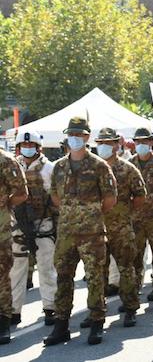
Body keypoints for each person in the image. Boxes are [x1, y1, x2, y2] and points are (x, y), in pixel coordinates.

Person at [44, 117, 118, 346]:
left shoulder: (98, 165)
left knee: (95, 278)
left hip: (92, 233)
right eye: (71, 134)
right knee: (63, 277)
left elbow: (110, 199)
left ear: (87, 137)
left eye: (79, 134)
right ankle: (61, 325)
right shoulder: (59, 167)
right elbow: (55, 197)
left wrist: (90, 215)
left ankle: (96, 323)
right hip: (66, 232)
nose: (75, 138)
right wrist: (72, 214)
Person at [87, 127, 145, 328]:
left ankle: (130, 309)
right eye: (100, 143)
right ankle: (96, 311)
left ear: (116, 145)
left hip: (121, 227)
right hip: (96, 228)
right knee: (96, 272)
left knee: (126, 269)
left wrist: (125, 213)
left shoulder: (128, 169)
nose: (104, 147)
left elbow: (140, 196)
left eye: (108, 143)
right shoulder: (90, 168)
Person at [10, 130, 58, 327]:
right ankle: (12, 311)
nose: (27, 149)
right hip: (18, 224)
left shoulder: (49, 169)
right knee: (16, 268)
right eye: (24, 146)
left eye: (31, 146)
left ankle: (50, 307)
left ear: (39, 148)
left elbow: (56, 199)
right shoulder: (13, 167)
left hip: (43, 223)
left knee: (46, 267)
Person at [129, 127, 153, 312]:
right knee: (135, 258)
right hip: (136, 219)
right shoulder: (130, 164)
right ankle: (133, 294)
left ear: (152, 142)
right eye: (138, 142)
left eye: (145, 141)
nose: (141, 145)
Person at [0, 148, 28, 344]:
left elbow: (21, 193)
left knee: (1, 276)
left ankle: (3, 322)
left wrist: (4, 205)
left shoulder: (5, 160)